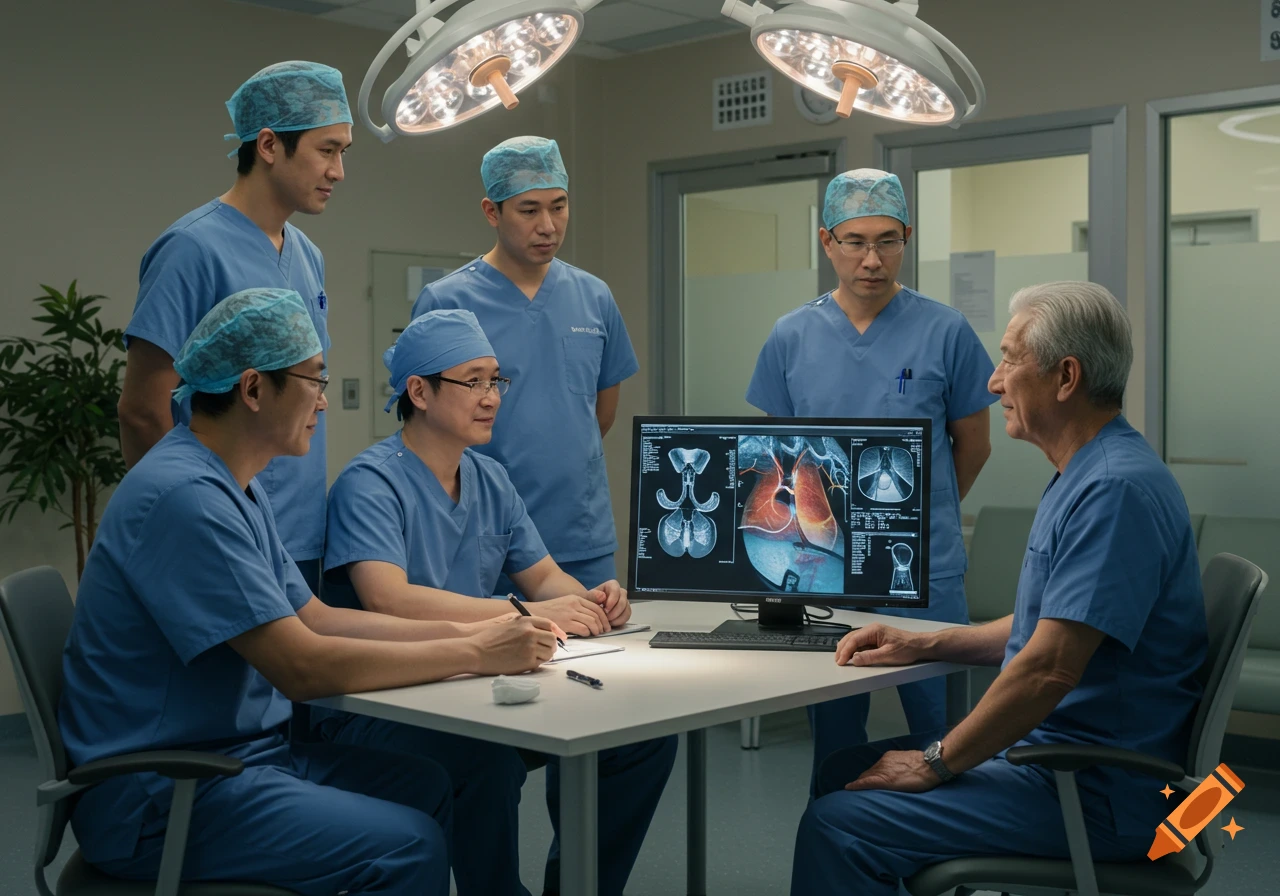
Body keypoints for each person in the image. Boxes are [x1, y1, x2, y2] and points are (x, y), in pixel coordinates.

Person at [60, 289, 559, 895]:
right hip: (168, 792)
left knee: (435, 780)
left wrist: (473, 632)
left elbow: (317, 617)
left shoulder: (233, 484)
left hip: (243, 754)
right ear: (252, 389)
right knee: (407, 847)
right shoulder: (186, 497)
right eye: (314, 381)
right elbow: (301, 665)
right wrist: (477, 654)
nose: (325, 400)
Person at [790, 281, 1208, 896]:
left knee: (840, 823)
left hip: (1094, 790)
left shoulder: (1114, 490)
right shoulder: (1087, 470)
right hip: (1065, 760)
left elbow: (1048, 669)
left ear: (1066, 377)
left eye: (1011, 359)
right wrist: (924, 644)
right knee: (842, 771)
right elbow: (1045, 626)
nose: (992, 381)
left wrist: (935, 763)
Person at [317, 308, 677, 896]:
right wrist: (526, 618)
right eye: (474, 381)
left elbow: (543, 577)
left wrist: (590, 599)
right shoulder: (370, 483)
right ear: (419, 391)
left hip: (481, 683)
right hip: (387, 702)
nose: (491, 397)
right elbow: (387, 599)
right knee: (483, 758)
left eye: (496, 381)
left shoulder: (489, 479)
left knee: (640, 737)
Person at [745, 168, 997, 795]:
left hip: (925, 569)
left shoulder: (946, 331)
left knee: (945, 737)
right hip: (826, 564)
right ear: (827, 241)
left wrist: (915, 519)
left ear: (906, 238)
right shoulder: (790, 337)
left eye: (887, 241)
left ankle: (951, 872)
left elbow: (975, 446)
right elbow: (780, 460)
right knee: (834, 736)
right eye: (855, 241)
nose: (872, 259)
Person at [117, 60, 353, 593]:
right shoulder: (192, 249)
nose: (339, 171)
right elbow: (141, 411)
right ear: (269, 145)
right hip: (217, 532)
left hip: (298, 533)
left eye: (344, 152)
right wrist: (195, 519)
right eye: (327, 150)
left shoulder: (307, 256)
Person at [410, 136, 637, 594]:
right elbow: (426, 424)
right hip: (483, 533)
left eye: (559, 206)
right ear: (492, 212)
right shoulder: (448, 300)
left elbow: (601, 413)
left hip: (581, 532)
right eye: (529, 210)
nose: (548, 226)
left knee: (601, 653)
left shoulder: (594, 296)